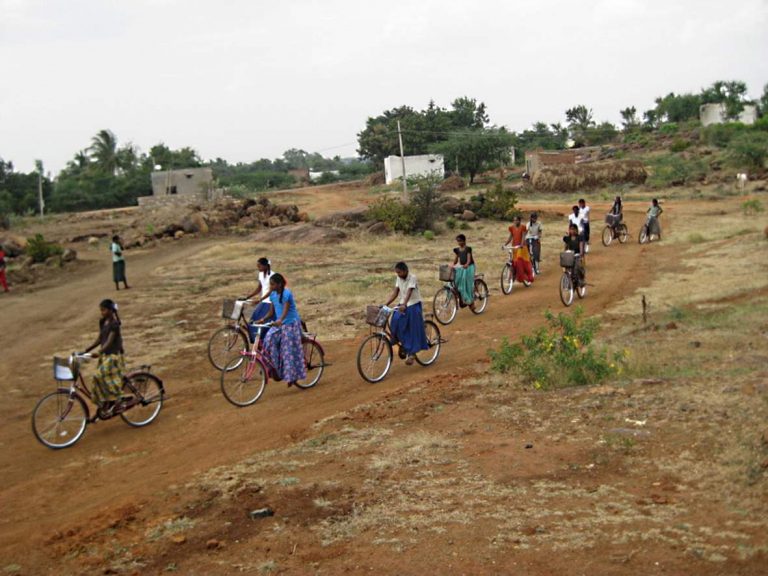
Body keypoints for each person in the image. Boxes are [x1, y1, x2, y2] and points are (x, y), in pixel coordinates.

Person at [259, 273, 307, 386]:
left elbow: (285, 310)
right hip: (279, 325)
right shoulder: (273, 295)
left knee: (288, 351)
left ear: (279, 284)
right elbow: (271, 312)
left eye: (272, 284)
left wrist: (280, 320)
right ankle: (275, 368)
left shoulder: (287, 293)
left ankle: (292, 377)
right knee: (268, 340)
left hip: (291, 325)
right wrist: (263, 319)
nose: (270, 287)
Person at [84, 299, 125, 414]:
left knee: (100, 375)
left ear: (111, 311)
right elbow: (100, 338)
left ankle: (117, 398)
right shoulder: (103, 322)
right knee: (97, 379)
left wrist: (100, 352)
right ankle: (108, 400)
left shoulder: (114, 324)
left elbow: (109, 342)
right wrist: (87, 349)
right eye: (101, 310)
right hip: (105, 355)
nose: (102, 312)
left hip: (113, 356)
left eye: (104, 310)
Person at [385, 262, 429, 366]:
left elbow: (409, 291)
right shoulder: (398, 278)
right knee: (395, 320)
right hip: (402, 304)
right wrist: (385, 304)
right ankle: (399, 341)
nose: (398, 274)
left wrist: (404, 304)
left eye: (399, 272)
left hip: (413, 304)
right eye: (397, 272)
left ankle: (412, 353)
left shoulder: (412, 277)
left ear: (405, 271)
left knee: (411, 327)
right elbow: (396, 292)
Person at [244, 257, 275, 342]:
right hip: (263, 301)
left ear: (265, 266)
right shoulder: (261, 275)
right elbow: (259, 288)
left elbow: (271, 291)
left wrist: (260, 300)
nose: (258, 268)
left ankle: (264, 343)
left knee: (263, 324)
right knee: (253, 321)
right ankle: (257, 344)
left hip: (270, 302)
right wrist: (248, 297)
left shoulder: (272, 276)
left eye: (259, 266)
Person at [503, 215, 534, 286]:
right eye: (514, 220)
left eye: (516, 220)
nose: (515, 221)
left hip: (522, 248)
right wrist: (505, 245)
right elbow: (510, 237)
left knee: (519, 261)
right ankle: (512, 276)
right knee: (513, 262)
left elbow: (523, 236)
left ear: (519, 221)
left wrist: (521, 244)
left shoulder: (523, 227)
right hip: (514, 247)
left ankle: (524, 276)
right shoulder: (512, 228)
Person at [452, 234, 476, 309]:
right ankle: (462, 299)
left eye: (460, 241)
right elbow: (455, 261)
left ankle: (471, 302)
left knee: (467, 284)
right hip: (462, 268)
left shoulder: (468, 249)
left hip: (469, 267)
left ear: (464, 241)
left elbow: (469, 259)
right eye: (458, 241)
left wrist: (466, 264)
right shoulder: (457, 250)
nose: (459, 242)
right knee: (456, 282)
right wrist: (452, 265)